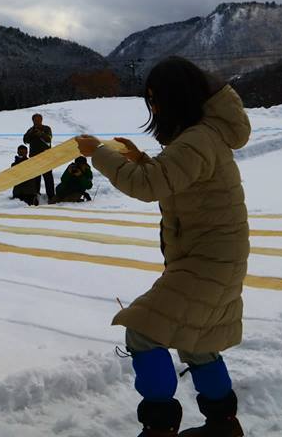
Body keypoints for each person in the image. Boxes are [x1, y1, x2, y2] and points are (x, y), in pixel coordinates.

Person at [75, 56, 250, 437]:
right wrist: (140, 159)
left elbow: (148, 186)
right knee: (198, 341)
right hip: (215, 260)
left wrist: (98, 154)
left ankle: (159, 429)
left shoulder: (197, 139)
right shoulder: (203, 135)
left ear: (176, 97)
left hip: (207, 263)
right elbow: (171, 177)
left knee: (142, 330)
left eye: (156, 99)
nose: (153, 107)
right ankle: (223, 424)